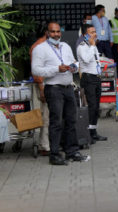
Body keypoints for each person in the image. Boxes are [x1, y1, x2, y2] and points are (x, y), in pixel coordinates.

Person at [32, 21, 89, 165]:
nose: (56, 34)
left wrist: (74, 67)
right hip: (53, 88)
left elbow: (74, 62)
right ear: (47, 33)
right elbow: (36, 70)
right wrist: (57, 69)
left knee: (71, 120)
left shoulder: (66, 46)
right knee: (56, 122)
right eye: (53, 32)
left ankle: (72, 151)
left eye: (58, 31)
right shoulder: (40, 49)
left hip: (68, 87)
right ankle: (55, 154)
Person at [77, 24, 108, 142]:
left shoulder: (93, 46)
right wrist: (92, 46)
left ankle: (94, 132)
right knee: (92, 106)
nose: (94, 34)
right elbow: (85, 59)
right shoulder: (82, 47)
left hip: (96, 78)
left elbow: (96, 60)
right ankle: (87, 133)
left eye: (95, 31)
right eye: (91, 32)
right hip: (88, 78)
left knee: (96, 107)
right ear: (85, 35)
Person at [29, 26, 50, 156]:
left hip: (47, 85)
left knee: (49, 115)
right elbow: (37, 73)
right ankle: (44, 145)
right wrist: (42, 90)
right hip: (43, 85)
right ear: (46, 32)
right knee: (46, 116)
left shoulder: (42, 45)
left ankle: (47, 143)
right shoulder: (38, 47)